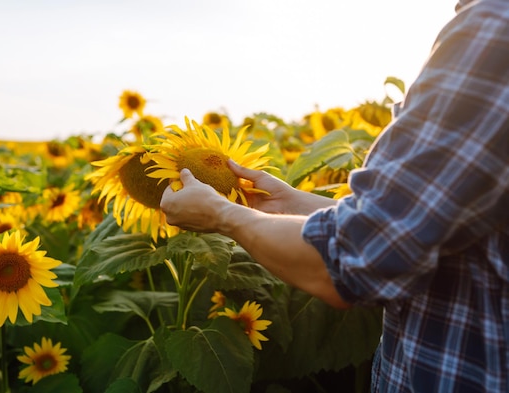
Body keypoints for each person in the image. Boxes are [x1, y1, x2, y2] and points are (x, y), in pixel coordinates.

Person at [159, 0, 509, 391]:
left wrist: (224, 215)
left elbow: (355, 260)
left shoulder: (493, 30)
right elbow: (425, 226)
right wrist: (292, 203)